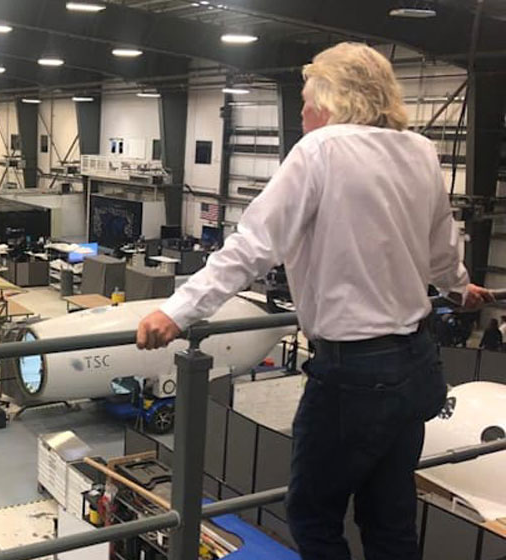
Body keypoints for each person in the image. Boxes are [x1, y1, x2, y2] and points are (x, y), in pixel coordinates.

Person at [135, 42, 494, 559]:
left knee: (310, 512)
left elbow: (253, 246)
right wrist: (461, 288)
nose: (302, 114)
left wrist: (176, 311)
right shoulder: (420, 151)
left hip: (354, 374)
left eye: (306, 102)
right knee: (389, 515)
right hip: (417, 362)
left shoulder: (320, 150)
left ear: (331, 101)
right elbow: (442, 249)